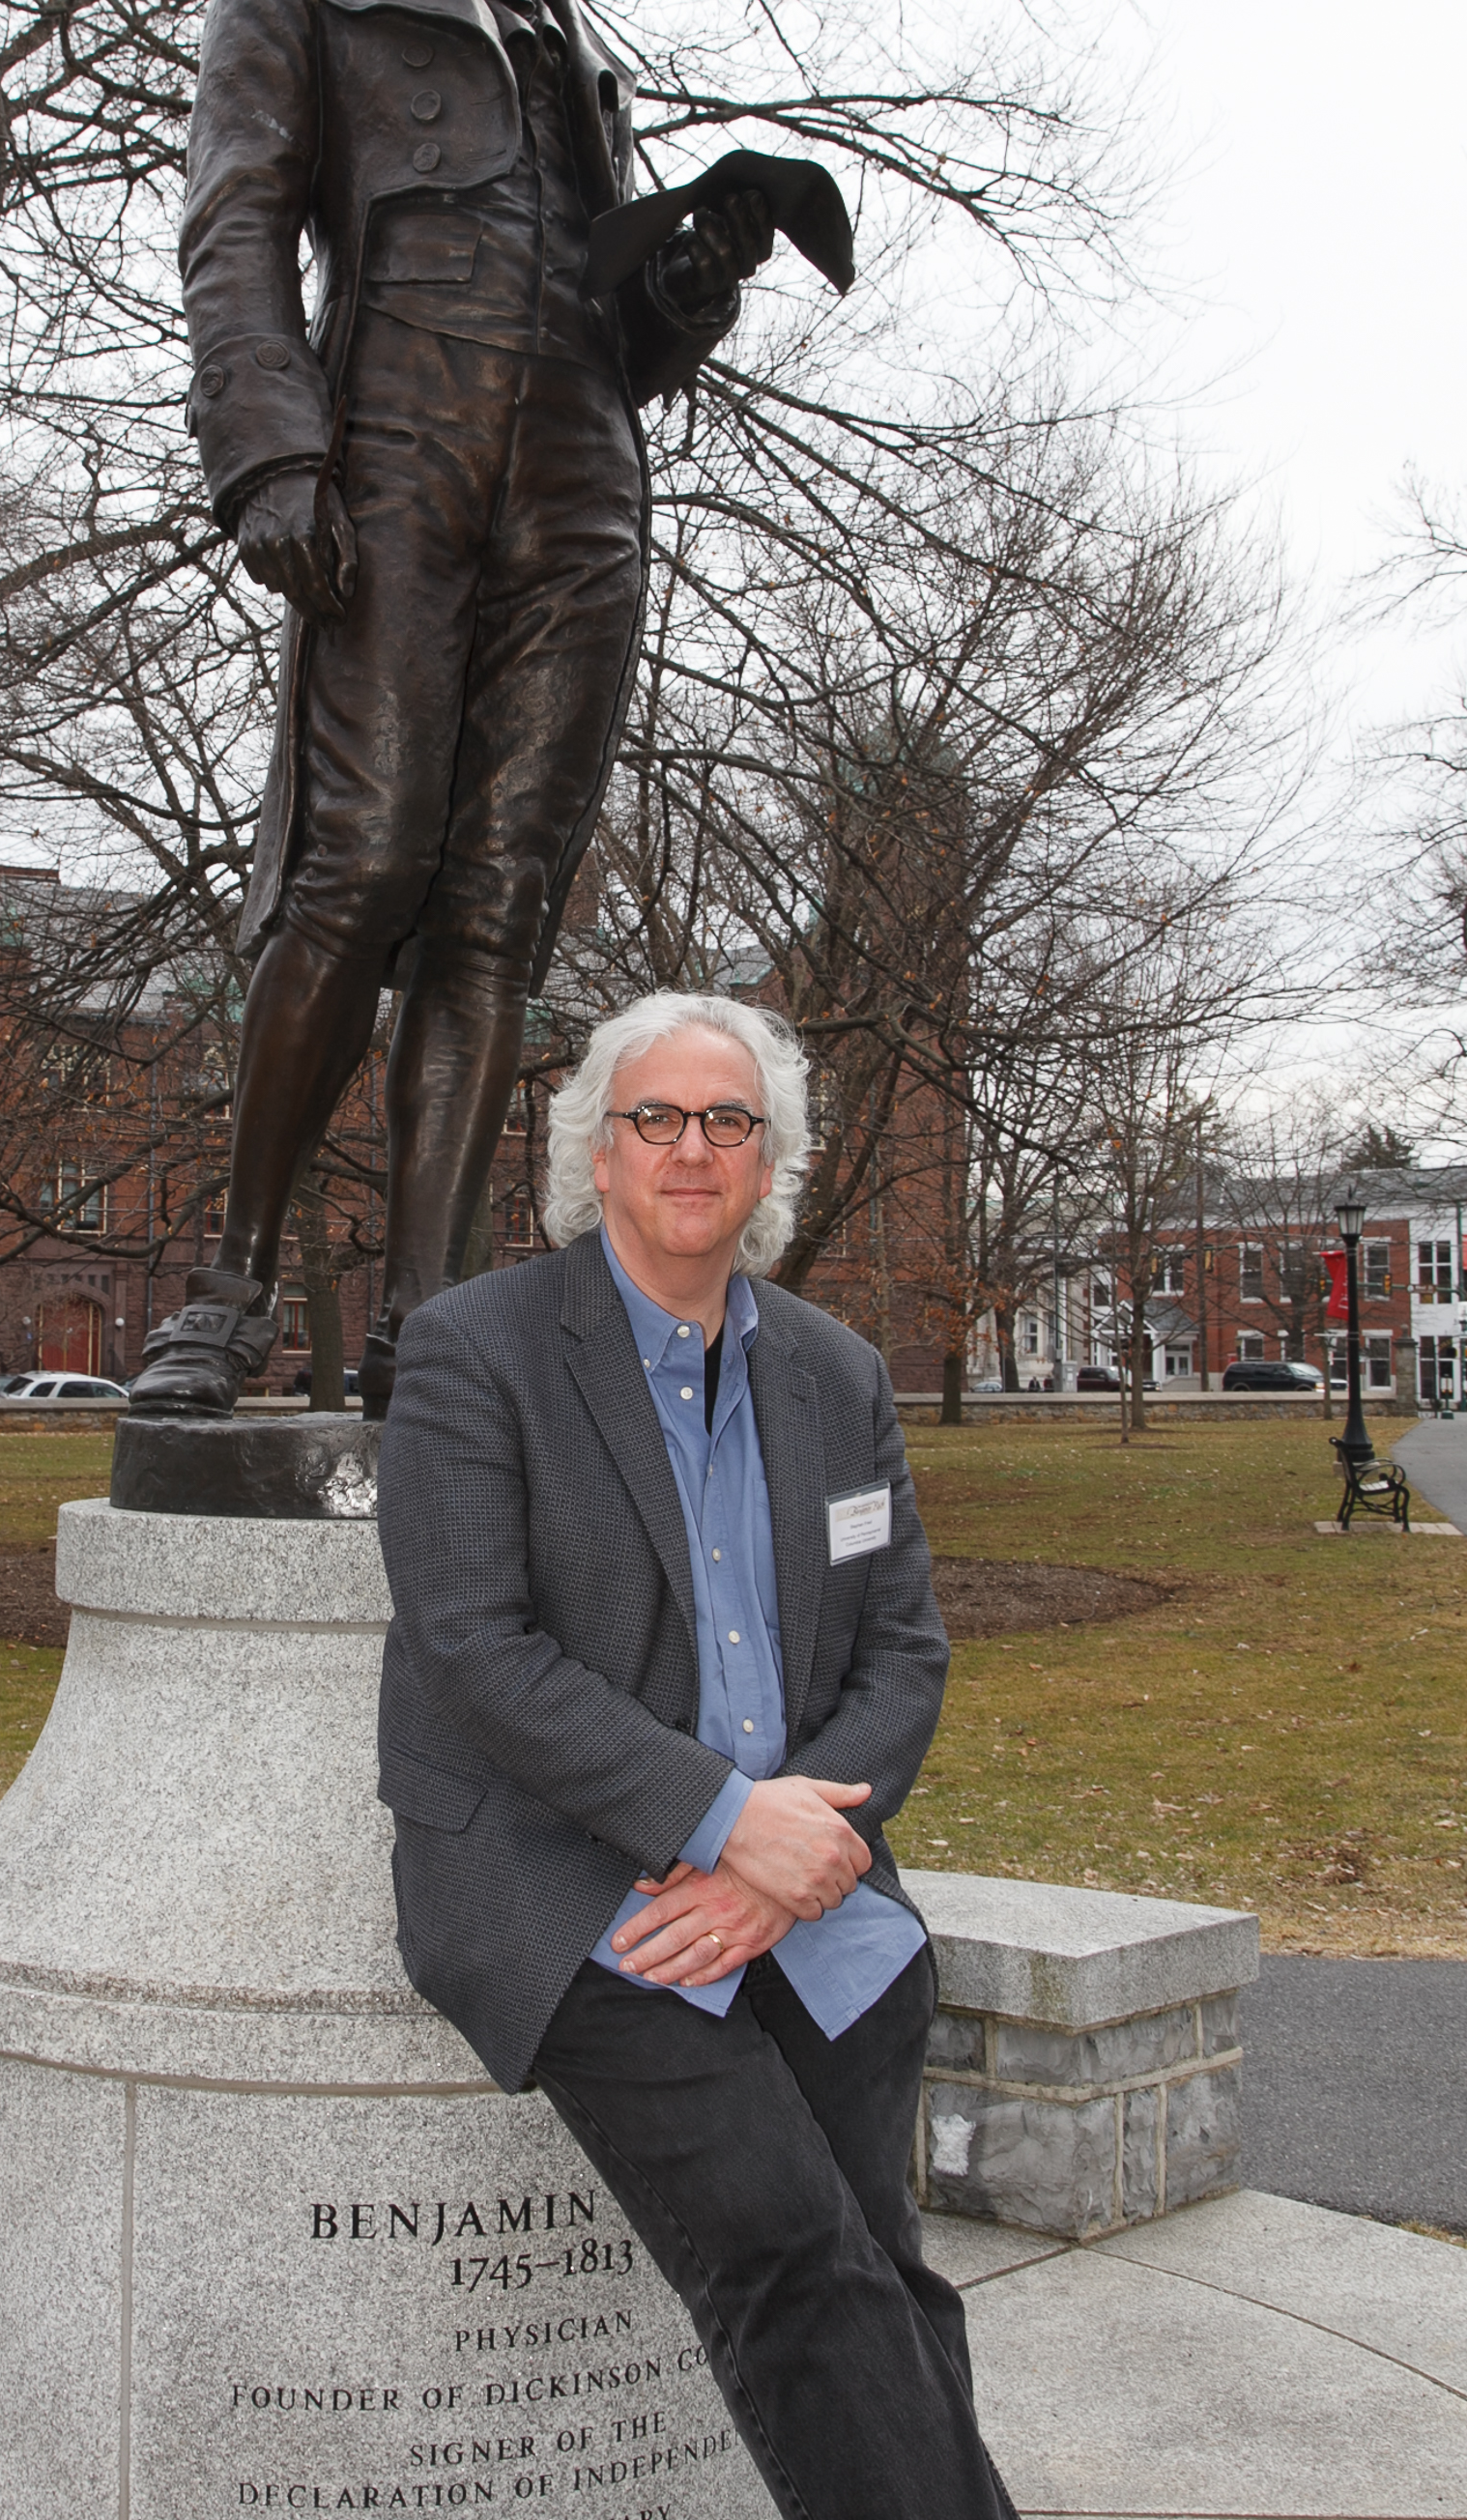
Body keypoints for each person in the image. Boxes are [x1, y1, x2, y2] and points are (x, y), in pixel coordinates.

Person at [132, 0, 777, 1418]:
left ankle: (427, 1319)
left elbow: (614, 343)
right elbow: (236, 235)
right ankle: (233, 1286)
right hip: (395, 454)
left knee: (496, 909)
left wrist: (699, 283)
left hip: (577, 485)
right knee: (361, 869)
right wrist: (269, 456)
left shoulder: (576, 30)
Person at [376, 990, 1017, 2520]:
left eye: (728, 1121)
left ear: (766, 1162)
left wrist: (789, 1871)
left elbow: (903, 1654)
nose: (690, 1147)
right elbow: (476, 1648)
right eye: (654, 1118)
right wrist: (729, 1829)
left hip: (815, 1905)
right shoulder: (478, 1352)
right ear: (595, 1157)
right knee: (800, 2268)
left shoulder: (837, 1373)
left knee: (889, 2279)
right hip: (583, 1893)